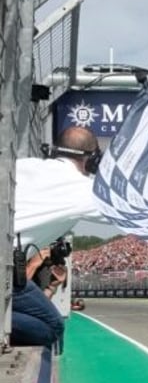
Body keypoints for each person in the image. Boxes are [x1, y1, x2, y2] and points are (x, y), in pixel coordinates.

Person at [10, 126, 108, 347]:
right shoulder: (84, 189)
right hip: (5, 268)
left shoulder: (22, 165)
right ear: (92, 160)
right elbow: (128, 214)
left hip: (11, 265)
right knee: (52, 327)